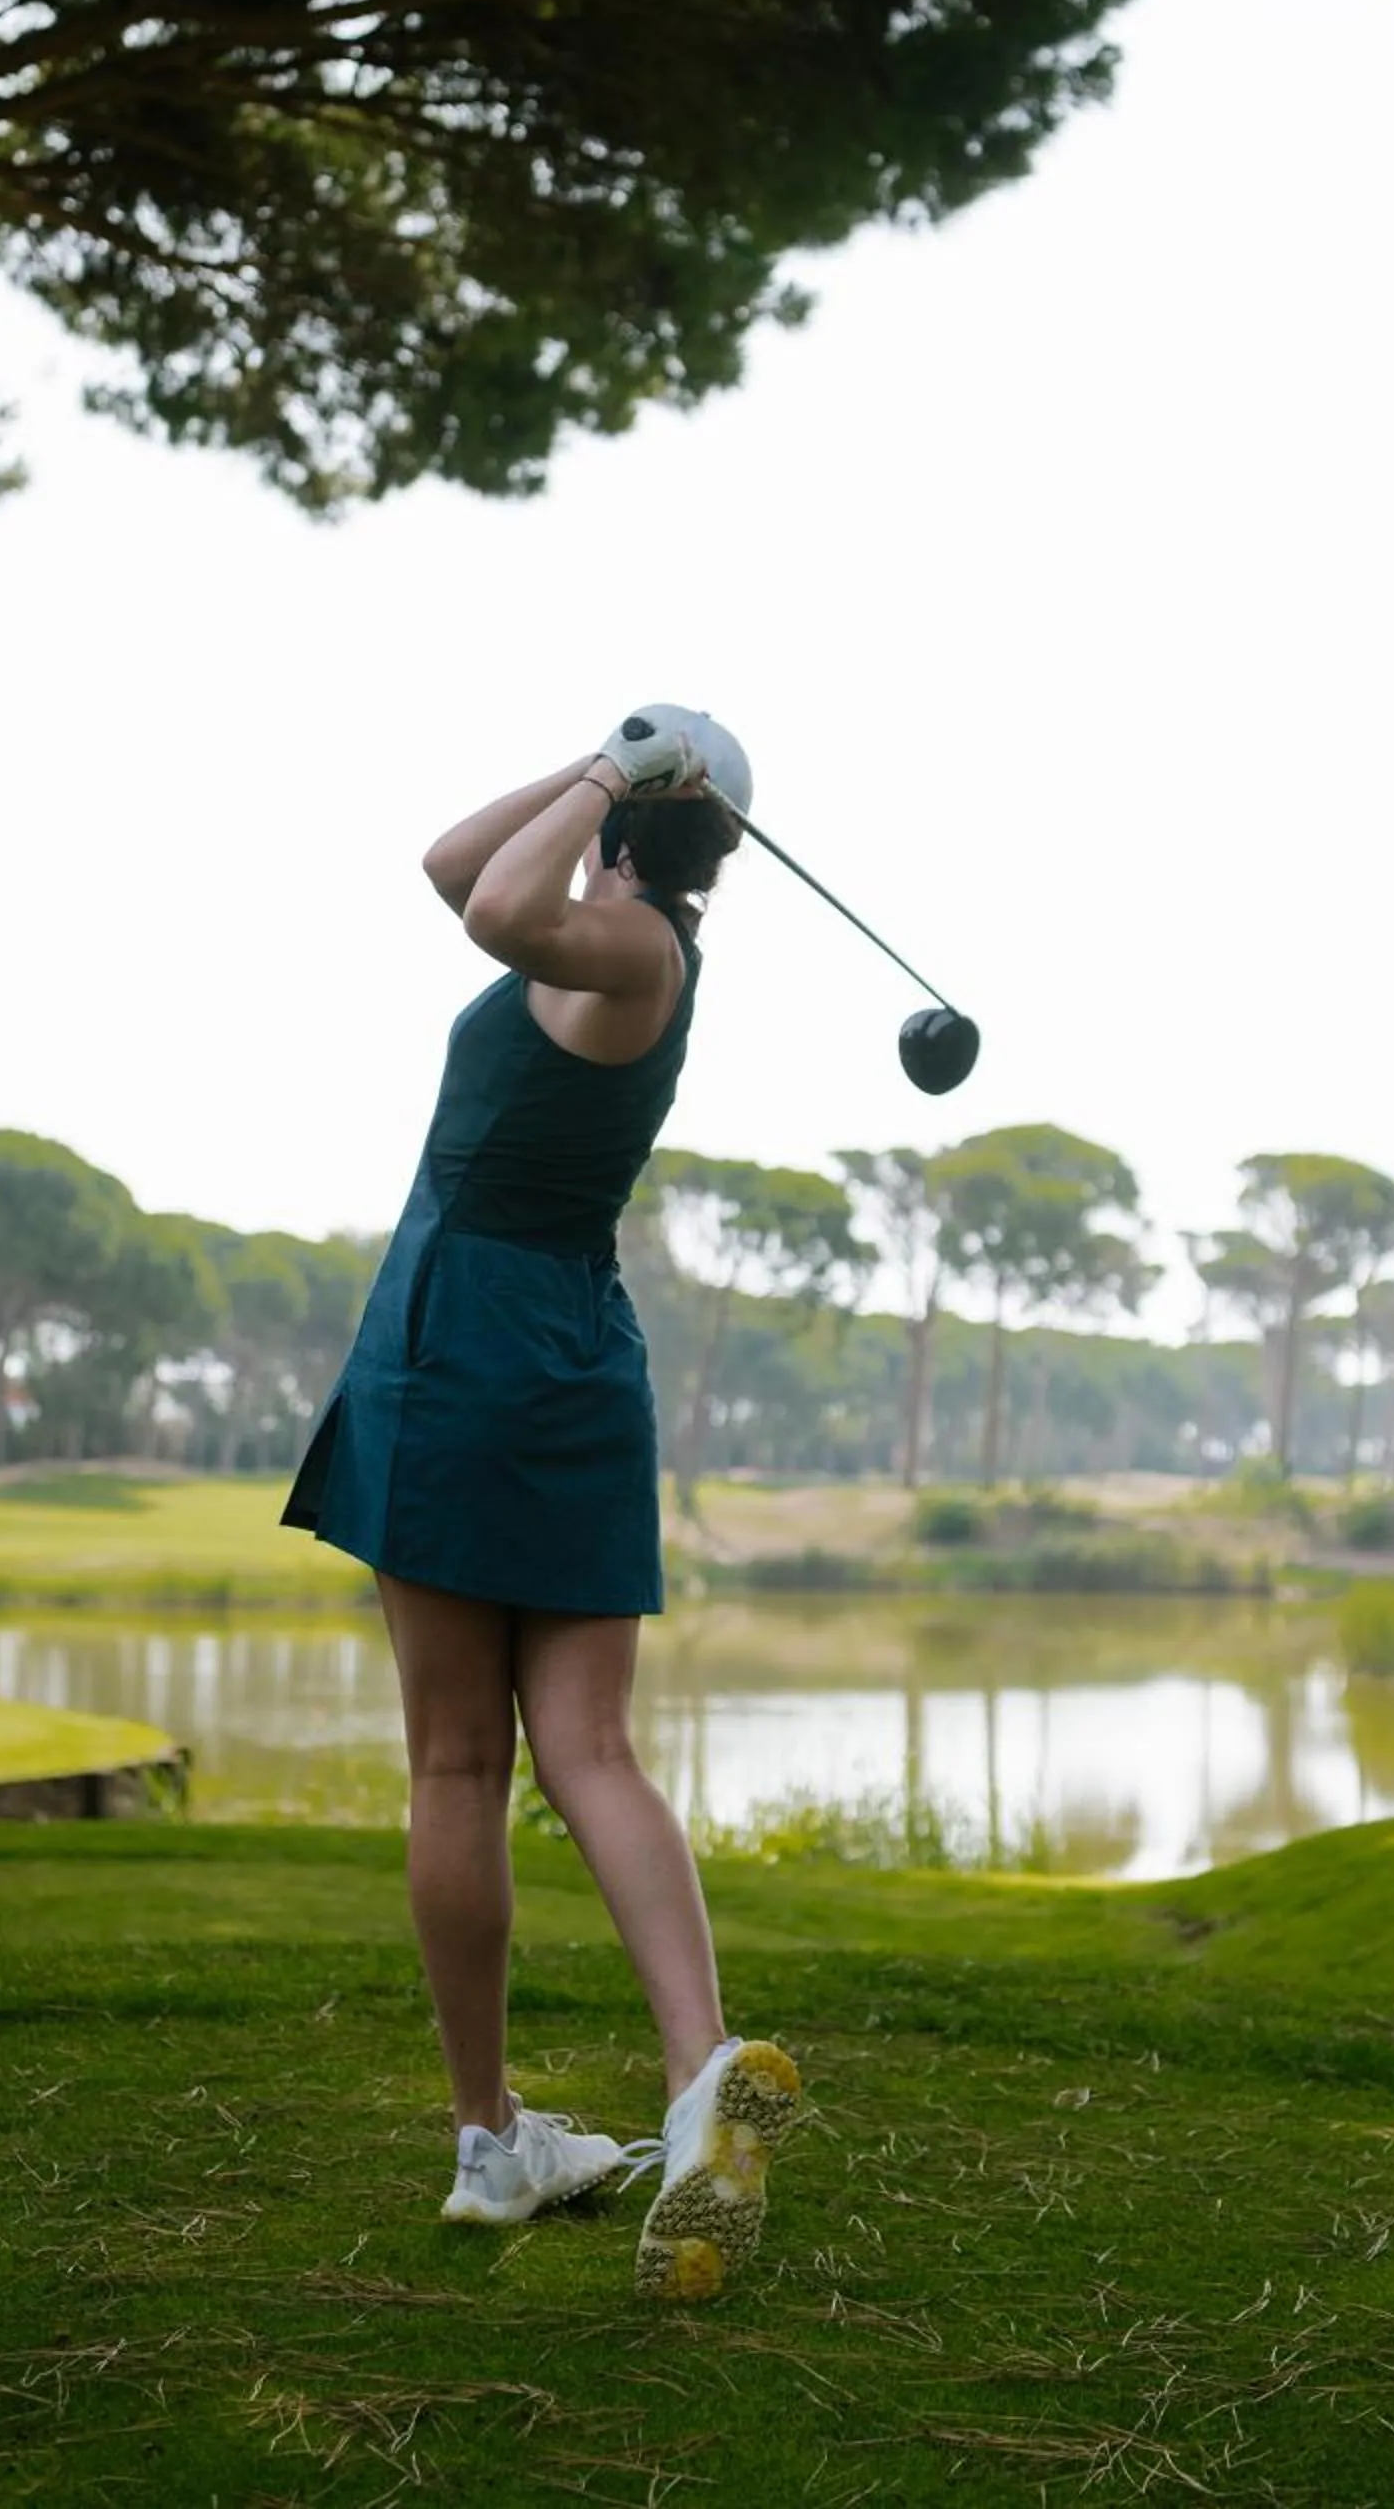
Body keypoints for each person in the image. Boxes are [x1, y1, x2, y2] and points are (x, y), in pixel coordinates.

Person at [282, 705, 801, 2304]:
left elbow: (492, 900)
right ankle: (694, 2072)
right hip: (572, 1347)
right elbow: (456, 868)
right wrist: (607, 751)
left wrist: (597, 769)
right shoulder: (635, 944)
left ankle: (491, 2137)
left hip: (462, 1340)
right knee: (589, 1748)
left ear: (633, 832)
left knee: (458, 1758)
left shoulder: (617, 944)